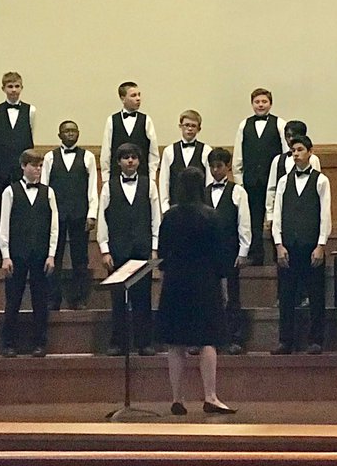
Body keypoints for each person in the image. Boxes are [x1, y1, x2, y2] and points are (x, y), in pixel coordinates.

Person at [157, 166, 236, 415]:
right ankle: (210, 396)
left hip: (176, 282)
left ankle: (177, 398)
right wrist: (222, 283)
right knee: (208, 340)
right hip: (205, 282)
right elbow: (220, 254)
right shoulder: (211, 216)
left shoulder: (169, 217)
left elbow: (161, 253)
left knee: (175, 342)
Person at [97, 142, 161, 356]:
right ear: (118, 162)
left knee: (143, 298)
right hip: (117, 251)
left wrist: (154, 247)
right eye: (126, 157)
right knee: (118, 300)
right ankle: (118, 342)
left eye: (134, 157)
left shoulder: (149, 184)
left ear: (139, 161)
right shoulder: (109, 186)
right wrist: (105, 249)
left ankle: (144, 342)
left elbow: (156, 217)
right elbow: (102, 218)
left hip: (142, 250)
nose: (130, 161)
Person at [272, 136, 330, 355]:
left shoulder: (321, 180)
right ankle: (285, 340)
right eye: (292, 150)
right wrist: (278, 244)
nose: (295, 154)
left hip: (311, 246)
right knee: (286, 295)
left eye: (299, 149)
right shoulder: (284, 181)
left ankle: (316, 340)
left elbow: (325, 215)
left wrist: (320, 245)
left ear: (310, 152)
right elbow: (278, 215)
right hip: (288, 246)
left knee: (316, 294)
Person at [0, 150, 57, 357]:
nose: (38, 170)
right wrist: (5, 255)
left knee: (40, 301)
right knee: (13, 299)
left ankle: (40, 342)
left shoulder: (48, 192)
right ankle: (8, 343)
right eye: (34, 166)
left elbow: (54, 227)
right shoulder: (10, 191)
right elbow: (4, 224)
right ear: (23, 166)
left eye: (41, 166)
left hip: (41, 254)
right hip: (17, 254)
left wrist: (51, 254)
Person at [41, 120, 97, 310]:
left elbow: (92, 189)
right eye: (67, 131)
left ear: (79, 133)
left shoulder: (88, 156)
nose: (71, 134)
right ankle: (53, 299)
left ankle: (79, 299)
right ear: (59, 135)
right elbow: (44, 187)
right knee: (53, 256)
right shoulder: (49, 157)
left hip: (80, 214)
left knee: (80, 258)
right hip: (56, 215)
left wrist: (92, 214)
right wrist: (45, 214)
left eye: (74, 130)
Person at [233, 88, 287, 265]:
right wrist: (240, 182)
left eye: (264, 101)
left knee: (276, 218)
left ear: (270, 103)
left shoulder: (280, 124)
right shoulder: (244, 125)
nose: (261, 105)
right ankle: (256, 255)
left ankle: (277, 254)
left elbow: (286, 153)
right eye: (257, 102)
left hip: (274, 182)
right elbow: (238, 156)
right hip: (251, 182)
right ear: (252, 104)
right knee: (253, 219)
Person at [205, 148, 250, 355]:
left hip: (230, 250)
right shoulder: (203, 192)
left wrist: (243, 250)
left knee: (232, 296)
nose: (215, 170)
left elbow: (244, 223)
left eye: (219, 166)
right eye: (212, 166)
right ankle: (207, 338)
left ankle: (235, 338)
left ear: (228, 167)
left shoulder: (237, 191)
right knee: (207, 296)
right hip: (207, 254)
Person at [0, 71, 36, 265]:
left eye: (17, 86)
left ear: (22, 88)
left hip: (21, 169)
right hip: (1, 167)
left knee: (21, 210)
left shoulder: (30, 110)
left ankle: (20, 251)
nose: (14, 90)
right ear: (3, 89)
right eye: (10, 86)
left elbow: (30, 138)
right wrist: (0, 162)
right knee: (0, 209)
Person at [264, 120, 322, 245]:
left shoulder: (313, 159)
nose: (290, 139)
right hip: (284, 214)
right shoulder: (278, 160)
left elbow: (315, 187)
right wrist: (270, 215)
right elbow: (271, 189)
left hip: (307, 216)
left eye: (293, 136)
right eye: (287, 136)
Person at [99, 81, 159, 189]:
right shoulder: (112, 120)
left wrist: (152, 178)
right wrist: (105, 179)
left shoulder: (146, 120)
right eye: (133, 95)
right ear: (123, 99)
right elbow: (106, 152)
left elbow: (153, 152)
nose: (138, 98)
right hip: (117, 179)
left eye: (139, 95)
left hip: (142, 179)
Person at [158, 110, 211, 212]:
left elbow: (209, 184)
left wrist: (207, 208)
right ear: (180, 126)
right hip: (175, 208)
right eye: (186, 125)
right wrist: (165, 209)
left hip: (199, 210)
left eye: (193, 126)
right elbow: (164, 182)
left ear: (199, 129)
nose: (190, 129)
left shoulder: (206, 150)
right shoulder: (169, 151)